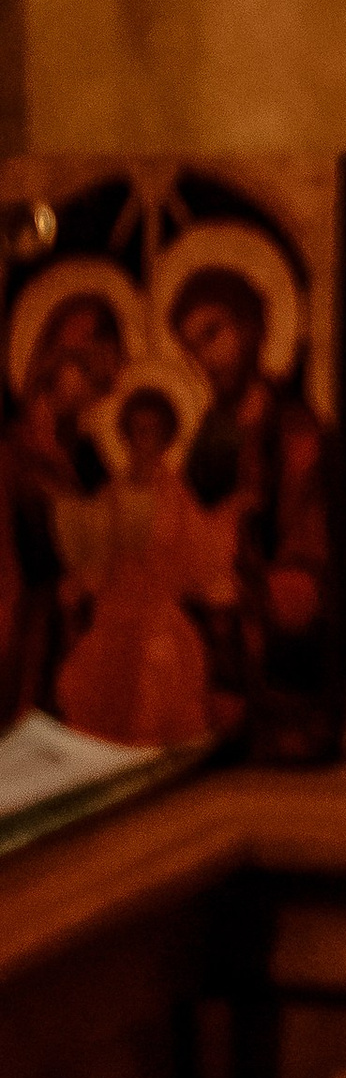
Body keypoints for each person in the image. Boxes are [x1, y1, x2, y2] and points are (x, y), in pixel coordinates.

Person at [173, 262, 341, 763]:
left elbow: (305, 550)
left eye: (214, 334)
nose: (206, 358)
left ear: (252, 328)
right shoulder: (206, 431)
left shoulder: (292, 427)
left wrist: (244, 575)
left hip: (267, 617)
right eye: (193, 346)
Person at [52, 386, 224, 750]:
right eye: (137, 430)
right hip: (114, 608)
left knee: (157, 671)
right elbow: (94, 553)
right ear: (126, 434)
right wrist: (81, 579)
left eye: (153, 431)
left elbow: (195, 554)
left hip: (156, 609)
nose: (143, 439)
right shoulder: (112, 493)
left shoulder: (176, 494)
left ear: (166, 438)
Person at [1, 289, 128, 723]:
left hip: (81, 626)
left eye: (99, 382)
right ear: (52, 364)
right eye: (84, 372)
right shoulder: (12, 454)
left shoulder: (90, 457)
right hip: (28, 627)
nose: (90, 391)